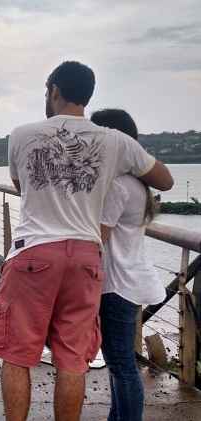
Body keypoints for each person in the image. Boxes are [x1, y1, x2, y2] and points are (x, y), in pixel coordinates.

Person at [0, 61, 174, 421]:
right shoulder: (116, 140)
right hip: (86, 258)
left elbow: (22, 188)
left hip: (34, 254)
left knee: (17, 354)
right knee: (73, 359)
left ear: (55, 90)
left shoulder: (22, 134)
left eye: (47, 90)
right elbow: (164, 180)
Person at [91, 109, 163, 421]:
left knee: (121, 364)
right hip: (130, 279)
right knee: (119, 362)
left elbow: (98, 239)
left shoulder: (118, 186)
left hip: (116, 285)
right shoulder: (136, 183)